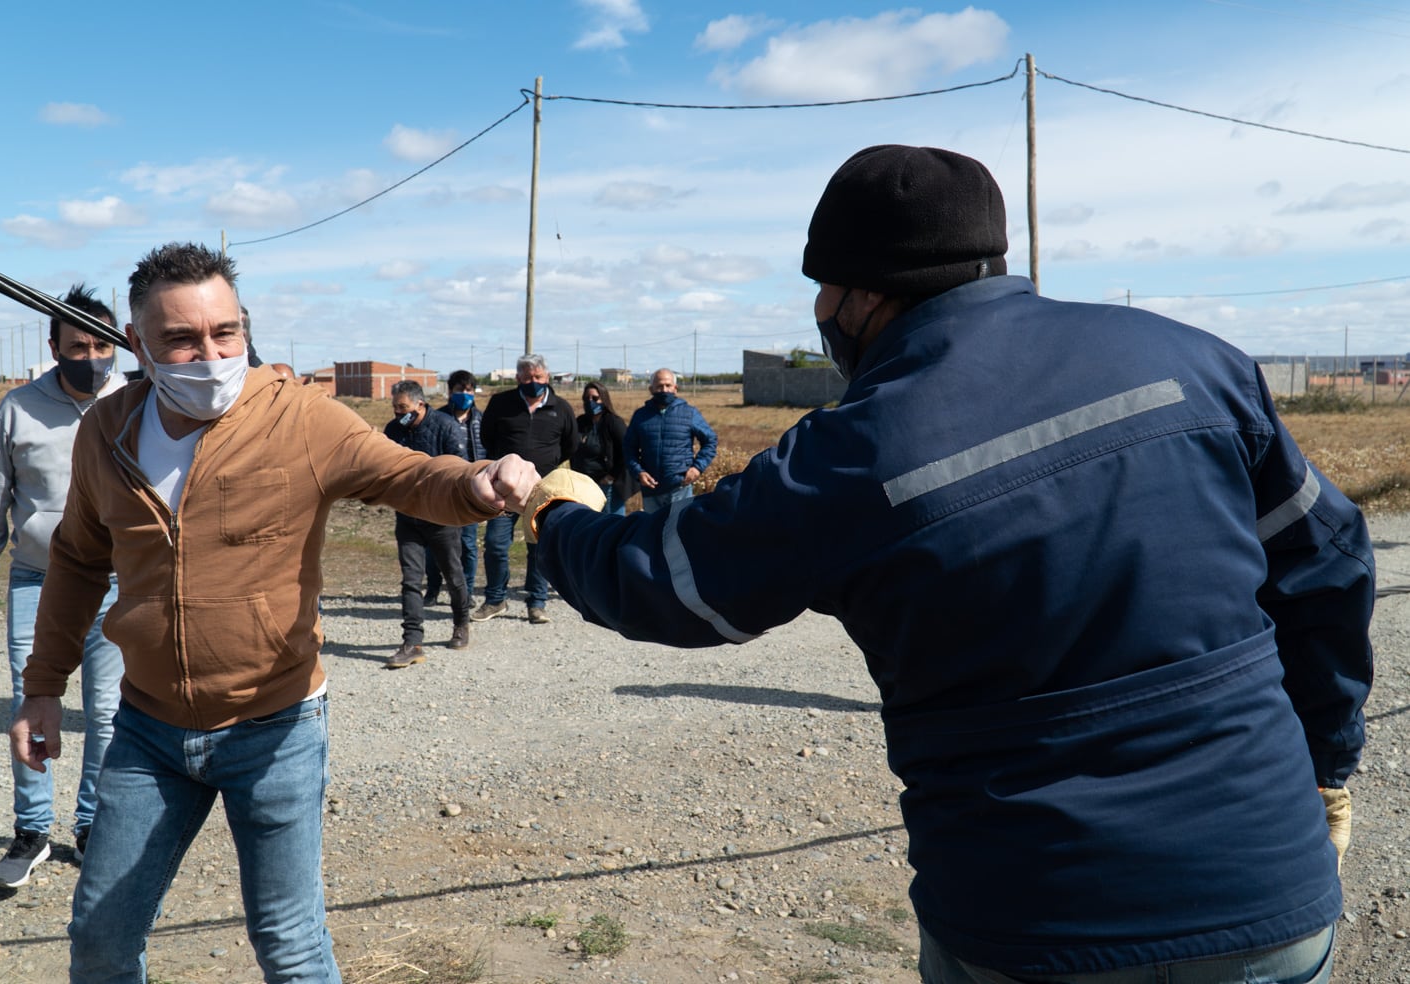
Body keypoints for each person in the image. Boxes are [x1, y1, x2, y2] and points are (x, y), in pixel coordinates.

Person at [526, 146, 1373, 982]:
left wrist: (558, 517)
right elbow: (1329, 565)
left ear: (863, 293)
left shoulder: (850, 453)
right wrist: (1326, 766)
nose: (819, 309)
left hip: (1034, 921)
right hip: (1272, 893)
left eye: (823, 287)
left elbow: (667, 585)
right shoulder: (1194, 362)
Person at [9, 242, 538, 983]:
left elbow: (407, 474)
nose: (211, 354)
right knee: (99, 942)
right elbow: (76, 558)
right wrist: (43, 686)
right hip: (148, 729)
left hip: (277, 725)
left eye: (226, 332)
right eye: (182, 340)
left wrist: (479, 481)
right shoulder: (109, 431)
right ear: (137, 344)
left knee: (289, 946)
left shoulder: (299, 419)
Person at [0, 284, 126, 889]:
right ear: (53, 346)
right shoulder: (18, 408)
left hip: (118, 582)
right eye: (78, 345)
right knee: (32, 705)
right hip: (38, 579)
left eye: (102, 346)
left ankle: (93, 826)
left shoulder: (138, 401)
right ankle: (32, 831)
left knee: (108, 712)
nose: (92, 358)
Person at [472, 354, 574, 624]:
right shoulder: (501, 403)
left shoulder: (560, 408)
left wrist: (547, 463)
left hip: (542, 489)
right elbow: (487, 438)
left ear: (547, 378)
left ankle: (537, 603)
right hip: (504, 491)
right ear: (518, 378)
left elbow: (570, 444)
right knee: (495, 545)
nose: (533, 382)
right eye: (528, 377)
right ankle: (495, 600)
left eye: (538, 377)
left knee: (540, 546)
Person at [384, 378, 472, 662]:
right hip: (407, 515)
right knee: (411, 580)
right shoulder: (392, 430)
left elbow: (459, 468)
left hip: (440, 515)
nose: (399, 413)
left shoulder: (445, 426)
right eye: (395, 408)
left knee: (453, 574)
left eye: (403, 407)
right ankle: (412, 642)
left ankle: (461, 623)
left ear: (420, 403)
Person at [423, 370, 485, 603]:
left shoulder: (481, 420)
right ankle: (433, 588)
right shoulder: (437, 419)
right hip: (442, 490)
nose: (465, 394)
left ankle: (465, 592)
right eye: (460, 390)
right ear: (450, 391)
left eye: (469, 390)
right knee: (435, 544)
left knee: (468, 544)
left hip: (472, 492)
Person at [623, 368, 717, 513]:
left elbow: (710, 440)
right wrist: (638, 472)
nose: (664, 390)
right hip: (651, 489)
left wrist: (697, 468)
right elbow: (629, 448)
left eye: (668, 385)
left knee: (677, 532)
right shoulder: (641, 416)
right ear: (651, 389)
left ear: (675, 388)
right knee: (652, 533)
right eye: (659, 386)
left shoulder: (688, 413)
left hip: (679, 487)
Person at [570, 380, 635, 516]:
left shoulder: (613, 422)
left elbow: (627, 450)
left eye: (595, 398)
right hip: (585, 483)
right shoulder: (581, 422)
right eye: (587, 398)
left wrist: (612, 476)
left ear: (603, 399)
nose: (590, 402)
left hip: (607, 484)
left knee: (613, 526)